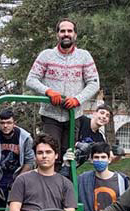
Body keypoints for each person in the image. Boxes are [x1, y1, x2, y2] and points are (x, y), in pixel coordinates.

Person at [26, 18, 100, 156]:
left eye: (69, 31)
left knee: (68, 155)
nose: (66, 34)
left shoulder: (84, 56)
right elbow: (31, 80)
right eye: (62, 31)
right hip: (50, 115)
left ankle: (65, 177)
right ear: (57, 35)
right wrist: (48, 92)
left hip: (73, 115)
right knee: (50, 152)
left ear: (75, 35)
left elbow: (94, 83)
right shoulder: (46, 55)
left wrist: (77, 99)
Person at [0, 109, 34, 207]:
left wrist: (18, 180)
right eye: (2, 123)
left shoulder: (25, 138)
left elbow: (29, 162)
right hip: (1, 174)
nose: (5, 126)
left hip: (19, 173)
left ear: (14, 123)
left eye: (9, 123)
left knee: (19, 203)